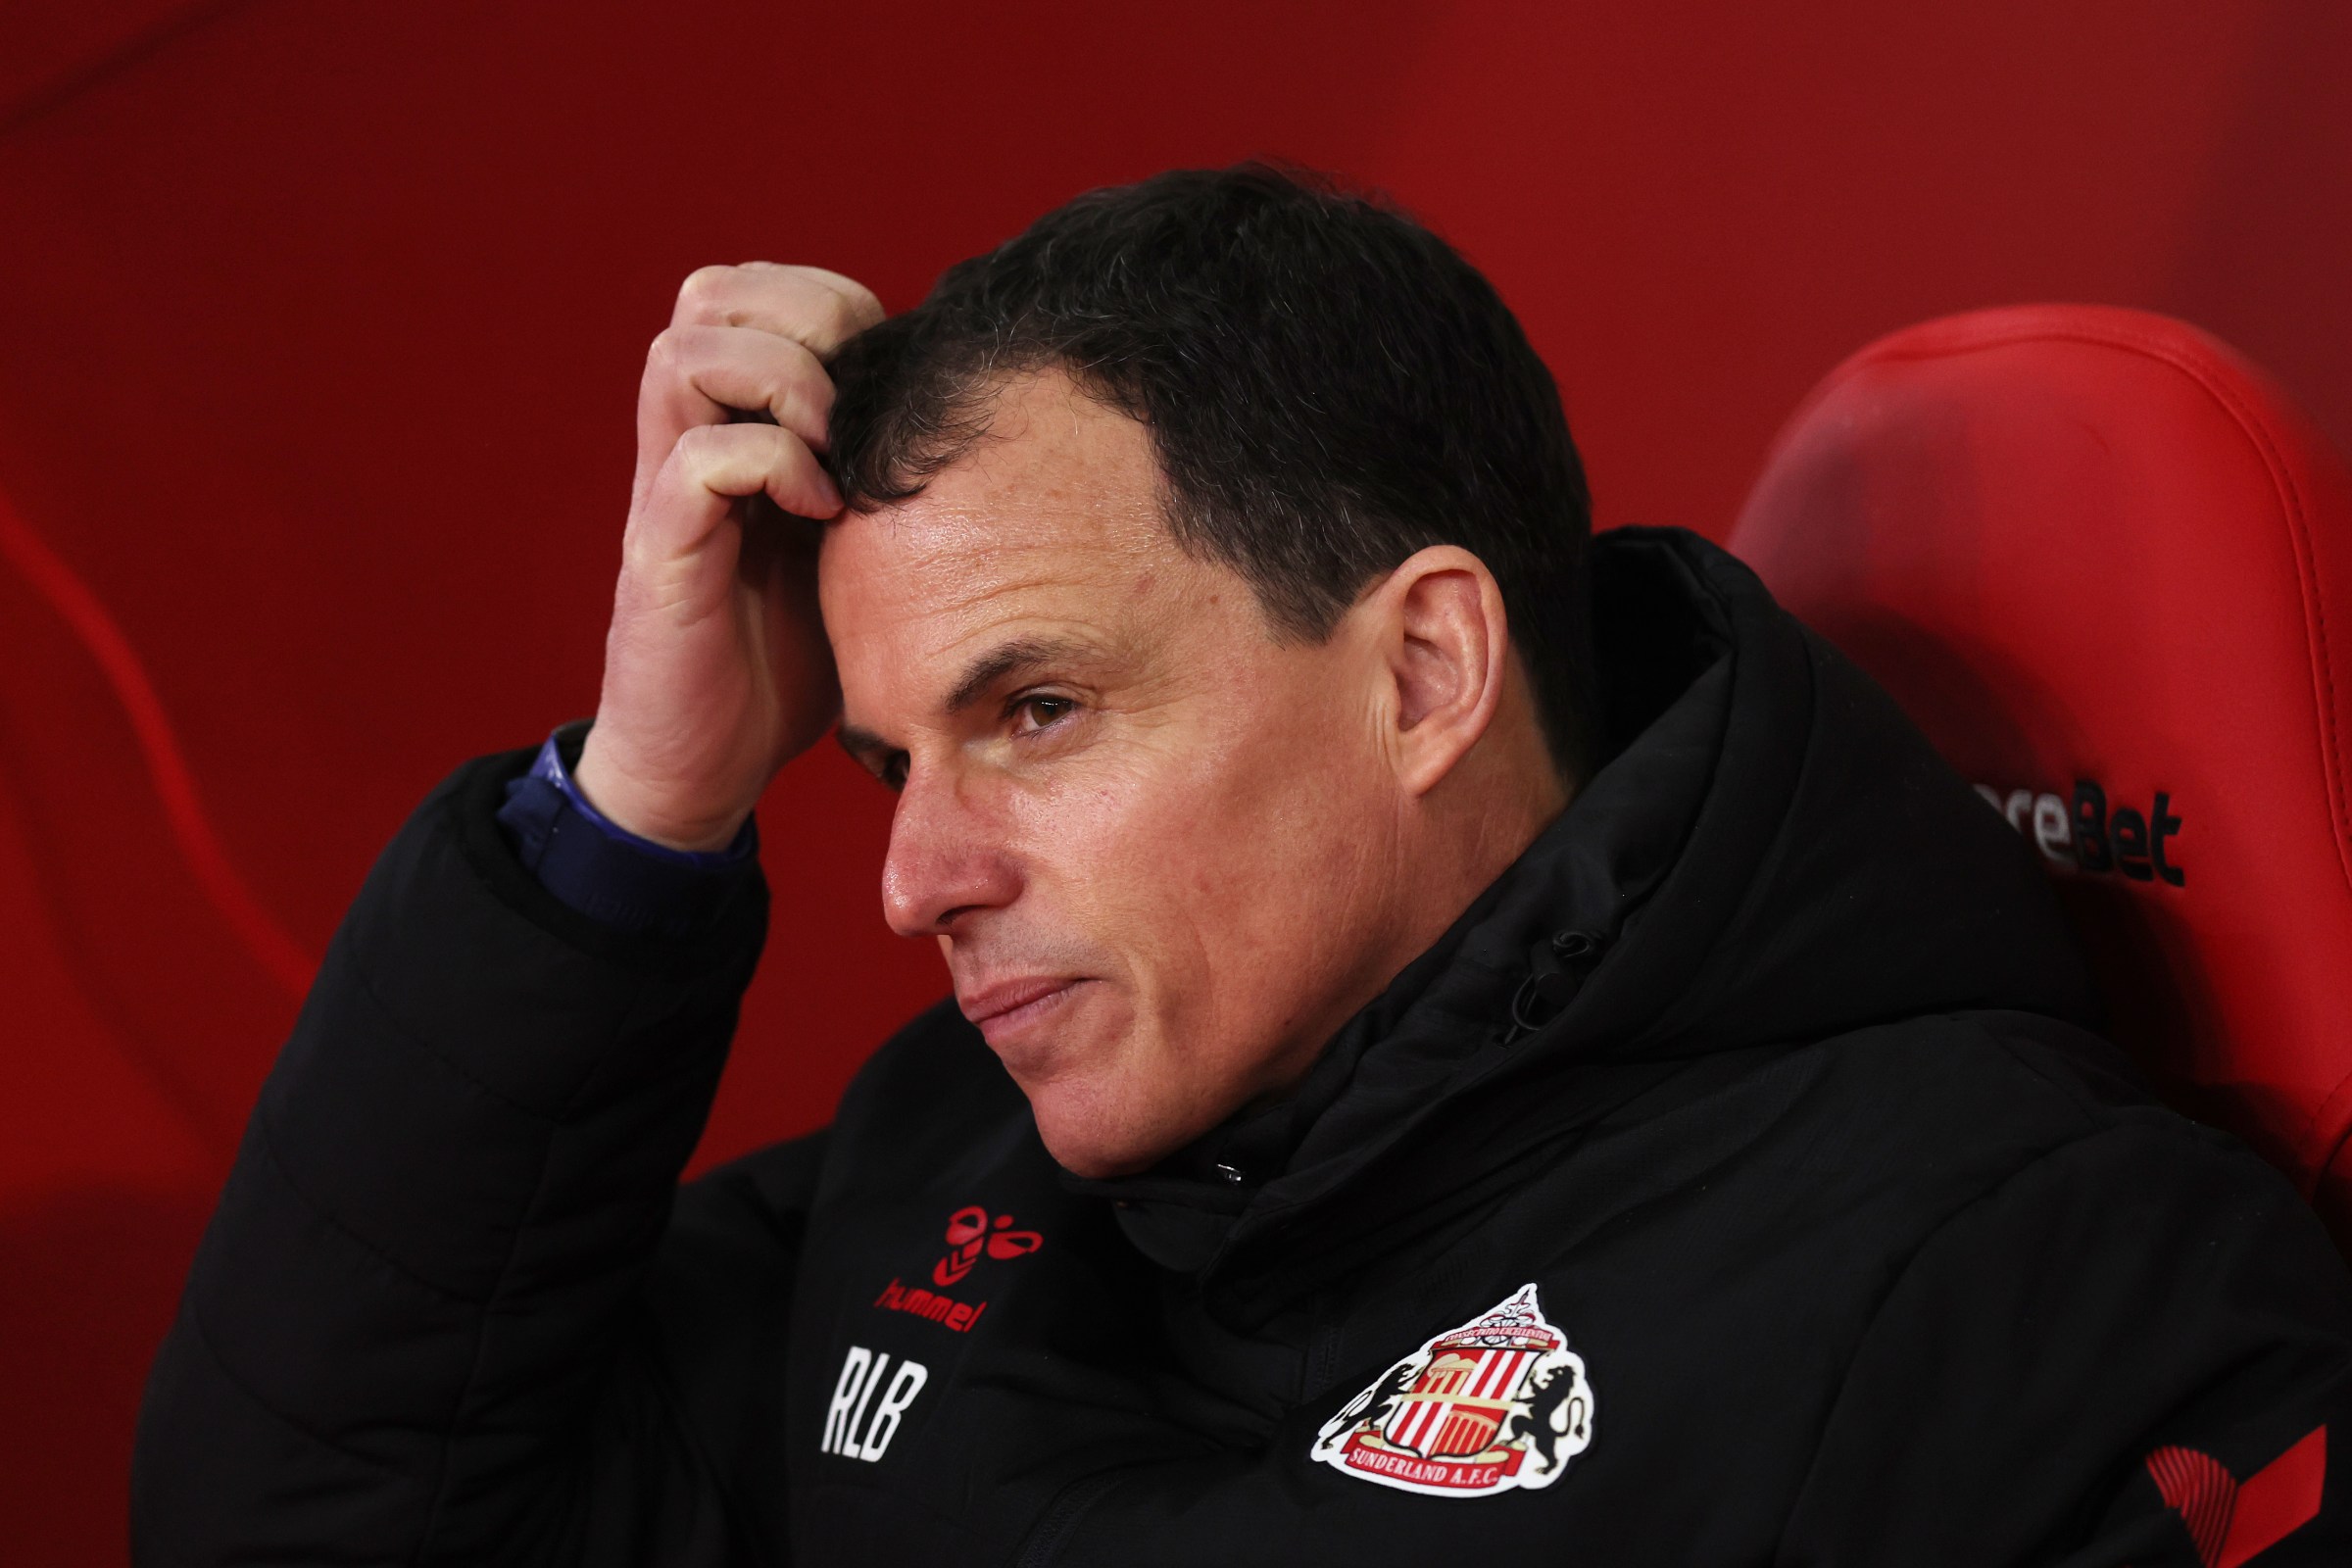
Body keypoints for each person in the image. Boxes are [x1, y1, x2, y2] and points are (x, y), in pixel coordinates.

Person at [132, 166, 2352, 1566]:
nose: (910, 881)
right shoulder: (947, 1162)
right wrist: (642, 800)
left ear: (1424, 674)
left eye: (1036, 709)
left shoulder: (2014, 1281)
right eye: (884, 755)